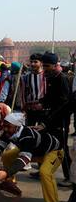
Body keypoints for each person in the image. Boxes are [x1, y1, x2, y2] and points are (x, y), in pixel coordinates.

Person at [0, 113, 64, 202]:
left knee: (45, 173)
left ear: (17, 127)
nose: (5, 129)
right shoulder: (8, 132)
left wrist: (6, 172)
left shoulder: (27, 135)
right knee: (7, 156)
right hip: (34, 151)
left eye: (8, 126)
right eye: (4, 125)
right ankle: (10, 182)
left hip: (53, 152)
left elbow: (24, 159)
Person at [40, 52, 71, 188]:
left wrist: (51, 117)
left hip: (60, 119)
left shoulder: (62, 78)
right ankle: (45, 170)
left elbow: (64, 103)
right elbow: (49, 97)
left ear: (54, 65)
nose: (44, 68)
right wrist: (40, 102)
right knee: (48, 144)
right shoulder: (52, 77)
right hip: (51, 117)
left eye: (46, 66)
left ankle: (69, 176)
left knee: (62, 148)